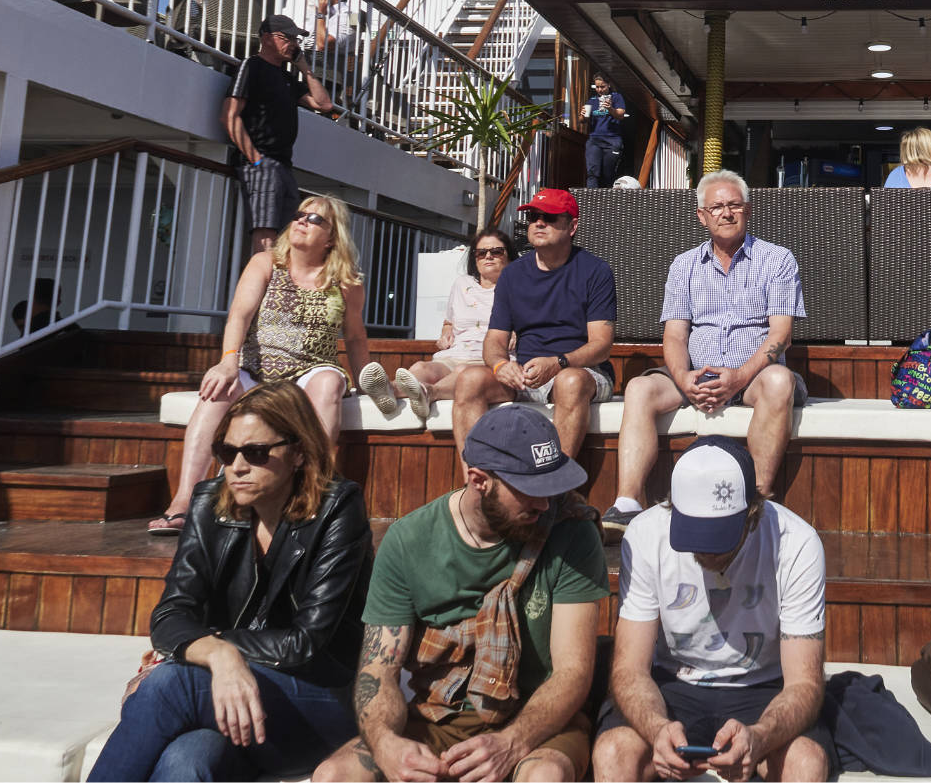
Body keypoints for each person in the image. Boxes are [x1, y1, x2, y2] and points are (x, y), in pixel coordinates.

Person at [90, 383, 371, 783]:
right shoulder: (209, 504)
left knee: (171, 686)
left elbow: (305, 641)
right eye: (226, 452)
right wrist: (219, 658)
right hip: (237, 704)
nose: (236, 466)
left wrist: (215, 645)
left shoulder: (338, 508)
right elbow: (171, 613)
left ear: (299, 453)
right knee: (185, 760)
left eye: (255, 453)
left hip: (321, 701)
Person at [313, 406, 607, 783]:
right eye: (530, 491)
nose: (545, 504)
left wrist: (511, 744)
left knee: (543, 777)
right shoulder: (408, 541)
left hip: (539, 723)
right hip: (439, 717)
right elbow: (379, 672)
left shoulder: (572, 533)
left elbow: (573, 673)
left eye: (552, 488)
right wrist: (386, 743)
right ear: (479, 479)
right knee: (333, 776)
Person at [593, 438, 833, 783]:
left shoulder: (797, 542)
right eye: (693, 533)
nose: (705, 550)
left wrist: (760, 736)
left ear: (754, 511)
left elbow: (804, 683)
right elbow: (630, 668)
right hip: (671, 684)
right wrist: (656, 729)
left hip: (765, 688)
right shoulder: (645, 534)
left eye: (719, 538)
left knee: (806, 763)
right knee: (613, 754)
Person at [601, 171, 806, 543]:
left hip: (755, 374)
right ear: (701, 215)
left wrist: (739, 378)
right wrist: (682, 378)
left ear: (747, 210)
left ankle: (754, 499)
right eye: (717, 207)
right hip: (695, 372)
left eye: (733, 205)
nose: (726, 213)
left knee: (780, 381)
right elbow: (675, 335)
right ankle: (627, 502)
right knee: (638, 388)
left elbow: (781, 335)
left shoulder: (778, 259)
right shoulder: (684, 265)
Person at [151, 196, 367, 537]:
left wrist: (364, 381)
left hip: (312, 367)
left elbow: (354, 338)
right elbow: (239, 315)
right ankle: (183, 501)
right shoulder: (266, 263)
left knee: (328, 385)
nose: (302, 221)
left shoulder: (347, 282)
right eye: (299, 215)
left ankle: (313, 493)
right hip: (256, 366)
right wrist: (227, 361)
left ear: (332, 237)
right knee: (217, 389)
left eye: (315, 219)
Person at [448, 189, 617, 478]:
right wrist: (501, 366)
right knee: (469, 380)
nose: (538, 223)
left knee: (570, 381)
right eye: (533, 217)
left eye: (549, 217)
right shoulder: (513, 275)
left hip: (582, 370)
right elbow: (495, 341)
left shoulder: (595, 271)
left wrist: (558, 362)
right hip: (527, 375)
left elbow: (601, 345)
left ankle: (555, 488)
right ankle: (476, 483)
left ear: (572, 226)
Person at [356, 228, 516, 422]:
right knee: (421, 367)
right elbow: (450, 319)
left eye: (496, 251)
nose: (488, 256)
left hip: (486, 361)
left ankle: (429, 392)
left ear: (509, 256)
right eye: (481, 253)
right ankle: (389, 391)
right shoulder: (462, 284)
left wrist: (518, 332)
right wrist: (447, 330)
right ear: (475, 258)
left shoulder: (519, 288)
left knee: (462, 373)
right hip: (455, 353)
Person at [222, 13, 335, 253]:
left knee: (287, 236)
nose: (293, 43)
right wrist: (257, 160)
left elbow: (324, 105)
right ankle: (263, 287)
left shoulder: (286, 77)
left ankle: (277, 286)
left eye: (296, 39)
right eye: (288, 38)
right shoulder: (251, 66)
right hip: (262, 161)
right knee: (265, 237)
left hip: (284, 165)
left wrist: (304, 68)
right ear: (267, 38)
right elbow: (230, 115)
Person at [581, 75, 630, 187]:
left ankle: (606, 200)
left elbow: (621, 115)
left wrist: (610, 109)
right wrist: (583, 114)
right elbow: (582, 120)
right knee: (592, 172)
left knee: (608, 172)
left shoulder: (616, 97)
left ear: (608, 84)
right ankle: (591, 198)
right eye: (597, 87)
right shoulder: (592, 101)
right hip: (594, 139)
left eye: (602, 86)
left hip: (612, 139)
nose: (599, 90)